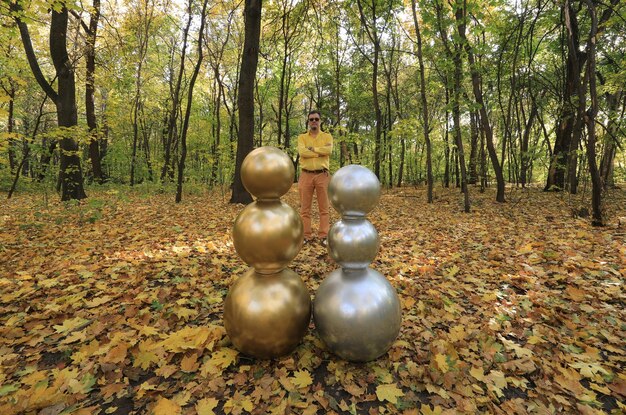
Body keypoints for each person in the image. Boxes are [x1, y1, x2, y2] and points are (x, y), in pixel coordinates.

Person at [297, 110, 333, 244]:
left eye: (316, 119)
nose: (314, 121)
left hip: (322, 175)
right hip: (306, 174)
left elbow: (328, 151)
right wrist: (319, 152)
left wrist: (312, 149)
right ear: (308, 121)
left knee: (324, 208)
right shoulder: (302, 137)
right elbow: (302, 152)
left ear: (320, 121)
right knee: (304, 209)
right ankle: (306, 236)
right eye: (311, 119)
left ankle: (323, 236)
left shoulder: (327, 137)